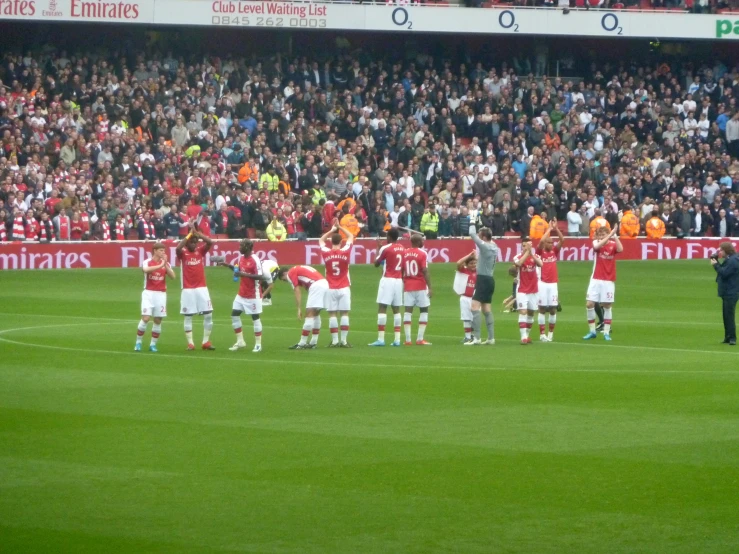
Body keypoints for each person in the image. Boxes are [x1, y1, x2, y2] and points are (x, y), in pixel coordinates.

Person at [220, 239, 267, 353]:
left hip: (253, 294)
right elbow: (239, 271)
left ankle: (258, 344)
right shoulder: (241, 258)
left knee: (255, 318)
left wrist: (243, 274)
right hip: (241, 293)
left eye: (241, 246)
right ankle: (240, 341)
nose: (239, 248)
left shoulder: (255, 259)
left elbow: (261, 276)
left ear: (248, 247)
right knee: (234, 315)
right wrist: (228, 265)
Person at [176, 224, 216, 351]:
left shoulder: (200, 251)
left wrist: (198, 235)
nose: (194, 244)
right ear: (187, 243)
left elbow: (210, 242)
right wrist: (189, 235)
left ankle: (205, 341)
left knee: (208, 314)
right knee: (188, 316)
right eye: (192, 242)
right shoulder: (183, 253)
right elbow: (178, 247)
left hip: (202, 288)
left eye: (195, 242)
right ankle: (190, 343)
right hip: (188, 289)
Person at [584, 225, 623, 341]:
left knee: (607, 306)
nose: (601, 237)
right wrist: (609, 236)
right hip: (596, 278)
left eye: (603, 234)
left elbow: (620, 249)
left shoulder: (612, 244)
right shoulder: (596, 242)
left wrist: (615, 237)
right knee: (589, 304)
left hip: (608, 280)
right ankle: (592, 331)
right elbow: (596, 246)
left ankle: (606, 332)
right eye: (599, 234)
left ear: (607, 234)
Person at [319, 219, 355, 347]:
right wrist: (340, 227)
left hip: (330, 287)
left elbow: (321, 240)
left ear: (331, 241)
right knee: (344, 313)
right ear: (341, 241)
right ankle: (344, 341)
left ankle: (334, 341)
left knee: (332, 314)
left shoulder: (326, 252)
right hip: (344, 286)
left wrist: (332, 230)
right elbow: (351, 236)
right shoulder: (345, 250)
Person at [136, 242, 175, 352]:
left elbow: (173, 276)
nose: (163, 252)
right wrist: (160, 265)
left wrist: (165, 264)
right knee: (146, 318)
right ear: (155, 251)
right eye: (161, 250)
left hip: (161, 294)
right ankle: (138, 342)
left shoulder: (165, 264)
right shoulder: (147, 262)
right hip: (148, 293)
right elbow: (146, 270)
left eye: (164, 250)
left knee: (158, 320)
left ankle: (153, 344)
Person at [278, 265, 329, 349]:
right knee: (316, 313)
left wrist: (298, 308)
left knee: (309, 314)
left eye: (284, 280)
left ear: (284, 274)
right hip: (324, 283)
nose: (286, 281)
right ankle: (313, 342)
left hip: (316, 285)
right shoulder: (299, 268)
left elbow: (297, 290)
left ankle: (302, 343)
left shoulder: (290, 273)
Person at [369, 228, 405, 346]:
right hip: (399, 280)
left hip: (388, 279)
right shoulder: (403, 248)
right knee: (396, 309)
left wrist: (378, 248)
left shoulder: (386, 248)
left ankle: (381, 339)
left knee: (382, 306)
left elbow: (376, 263)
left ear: (389, 237)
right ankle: (397, 340)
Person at [465, 221, 498, 346]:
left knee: (474, 307)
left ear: (484, 238)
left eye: (480, 235)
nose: (478, 237)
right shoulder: (494, 245)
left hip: (483, 279)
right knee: (486, 309)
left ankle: (477, 337)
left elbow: (472, 234)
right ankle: (491, 338)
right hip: (490, 279)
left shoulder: (485, 246)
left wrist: (472, 222)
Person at [402, 233, 432, 346]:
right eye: (422, 241)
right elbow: (424, 270)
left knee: (407, 311)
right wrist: (430, 287)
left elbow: (402, 269)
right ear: (418, 242)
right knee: (424, 310)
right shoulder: (422, 253)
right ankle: (420, 339)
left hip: (408, 285)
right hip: (420, 286)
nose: (423, 242)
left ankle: (408, 340)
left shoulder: (404, 253)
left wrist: (403, 280)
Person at [536, 221, 564, 342]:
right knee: (542, 309)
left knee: (553, 309)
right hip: (542, 283)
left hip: (553, 284)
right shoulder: (540, 252)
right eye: (549, 242)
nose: (551, 244)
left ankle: (550, 333)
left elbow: (562, 240)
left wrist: (556, 229)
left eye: (552, 242)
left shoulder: (554, 252)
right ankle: (542, 334)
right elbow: (541, 241)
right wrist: (548, 229)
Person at [514, 237, 543, 345]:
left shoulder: (535, 256)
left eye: (530, 245)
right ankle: (523, 337)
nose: (529, 247)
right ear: (523, 246)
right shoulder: (517, 256)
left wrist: (532, 255)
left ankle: (526, 334)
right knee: (523, 311)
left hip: (533, 289)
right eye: (526, 245)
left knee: (531, 312)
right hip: (522, 289)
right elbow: (519, 263)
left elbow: (541, 264)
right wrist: (527, 253)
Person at [711, 242, 739, 345]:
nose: (720, 252)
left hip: (731, 292)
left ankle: (732, 338)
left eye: (721, 250)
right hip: (728, 291)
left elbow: (724, 273)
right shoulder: (731, 259)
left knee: (729, 316)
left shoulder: (733, 261)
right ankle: (728, 336)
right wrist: (717, 261)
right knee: (726, 316)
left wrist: (716, 265)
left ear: (726, 250)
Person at [454, 251, 477, 343]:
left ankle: (475, 336)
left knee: (475, 318)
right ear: (467, 264)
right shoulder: (464, 270)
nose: (473, 265)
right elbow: (458, 263)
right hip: (465, 297)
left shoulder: (478, 272)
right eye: (471, 263)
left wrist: (475, 257)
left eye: (475, 263)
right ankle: (467, 337)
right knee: (466, 318)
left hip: (475, 299)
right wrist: (469, 255)